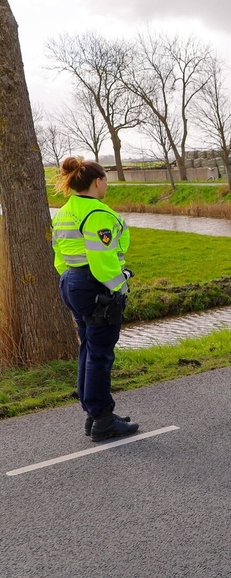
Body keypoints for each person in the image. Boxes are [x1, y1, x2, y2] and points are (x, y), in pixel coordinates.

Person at [51, 157, 139, 441]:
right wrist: (120, 287)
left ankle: (94, 413)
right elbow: (103, 262)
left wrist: (70, 281)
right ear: (98, 181)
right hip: (95, 286)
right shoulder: (97, 214)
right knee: (101, 353)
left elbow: (60, 257)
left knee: (89, 348)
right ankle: (102, 419)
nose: (107, 185)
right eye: (106, 180)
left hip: (71, 283)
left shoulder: (65, 211)